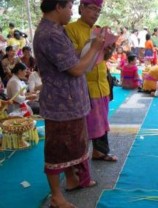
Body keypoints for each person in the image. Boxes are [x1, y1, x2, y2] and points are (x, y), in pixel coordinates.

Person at [33, 0, 105, 206]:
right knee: (57, 148)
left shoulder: (56, 30)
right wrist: (94, 49)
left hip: (70, 101)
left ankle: (72, 180)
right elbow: (75, 69)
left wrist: (90, 47)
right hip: (60, 103)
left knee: (72, 143)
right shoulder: (50, 34)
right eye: (70, 7)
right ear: (58, 7)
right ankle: (56, 197)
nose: (71, 11)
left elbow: (70, 59)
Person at [65, 0, 118, 162]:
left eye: (99, 10)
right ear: (81, 8)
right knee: (87, 124)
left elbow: (103, 58)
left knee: (102, 119)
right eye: (93, 9)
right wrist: (93, 46)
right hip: (84, 84)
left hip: (102, 82)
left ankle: (100, 152)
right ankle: (79, 160)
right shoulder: (70, 29)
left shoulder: (98, 31)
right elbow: (72, 57)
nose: (96, 13)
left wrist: (108, 50)